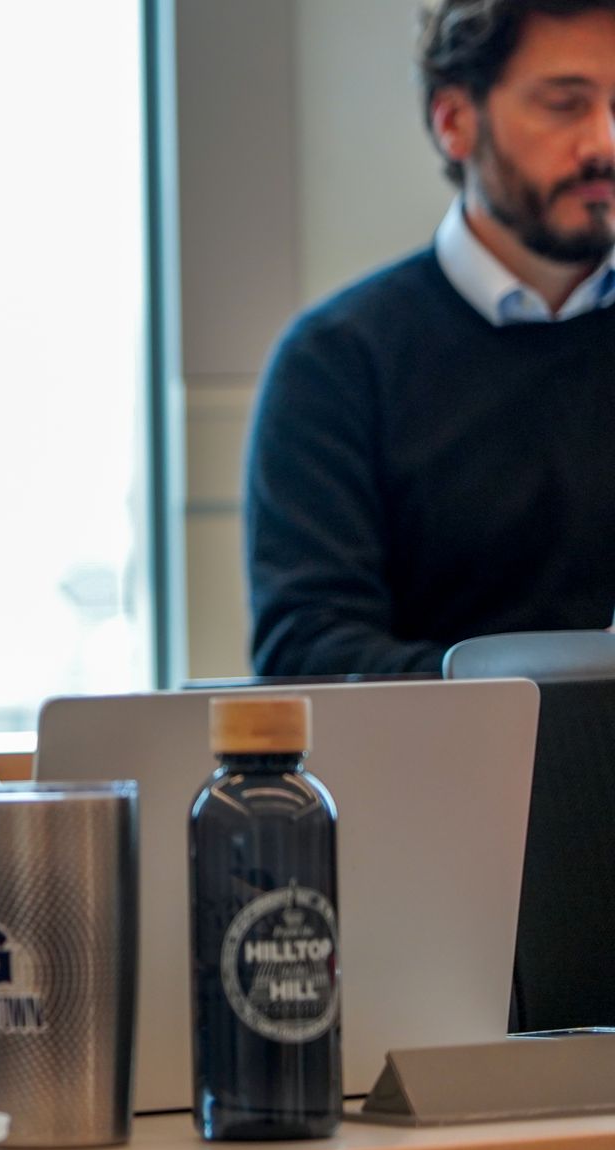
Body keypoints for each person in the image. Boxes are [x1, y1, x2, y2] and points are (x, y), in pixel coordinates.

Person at [245, 0, 615, 677]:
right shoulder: (336, 363)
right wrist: (545, 707)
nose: (605, 143)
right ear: (454, 121)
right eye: (566, 105)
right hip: (436, 778)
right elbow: (310, 652)